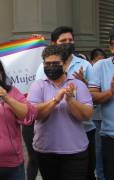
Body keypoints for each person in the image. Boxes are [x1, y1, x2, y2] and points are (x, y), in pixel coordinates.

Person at [35, 26, 96, 180]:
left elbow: (87, 115)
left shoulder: (78, 84)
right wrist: (55, 100)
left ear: (64, 65)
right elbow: (34, 113)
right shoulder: (38, 85)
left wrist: (70, 100)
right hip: (47, 150)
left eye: (56, 64)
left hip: (75, 150)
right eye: (47, 64)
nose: (51, 67)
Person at [88, 28, 114, 180]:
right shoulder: (101, 66)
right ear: (111, 46)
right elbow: (92, 96)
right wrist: (110, 93)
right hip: (110, 137)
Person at [89, 48, 107, 180]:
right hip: (96, 118)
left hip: (107, 119)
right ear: (92, 61)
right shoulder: (89, 72)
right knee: (99, 151)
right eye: (97, 61)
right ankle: (101, 176)